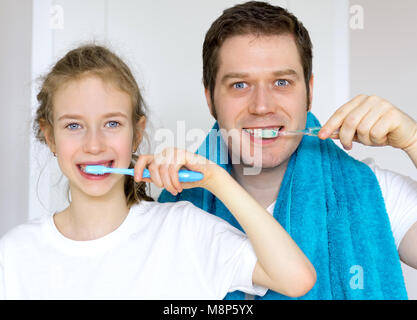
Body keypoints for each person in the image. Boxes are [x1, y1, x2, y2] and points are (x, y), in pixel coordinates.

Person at [0, 44, 316, 299]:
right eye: (73, 125)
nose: (94, 145)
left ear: (137, 133)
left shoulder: (184, 230)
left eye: (112, 123)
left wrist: (215, 179)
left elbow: (295, 279)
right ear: (50, 135)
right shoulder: (15, 255)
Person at [159, 1, 417, 299]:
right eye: (240, 85)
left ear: (309, 92)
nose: (262, 106)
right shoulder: (173, 214)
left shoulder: (376, 194)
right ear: (209, 99)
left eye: (281, 82)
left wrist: (413, 139)